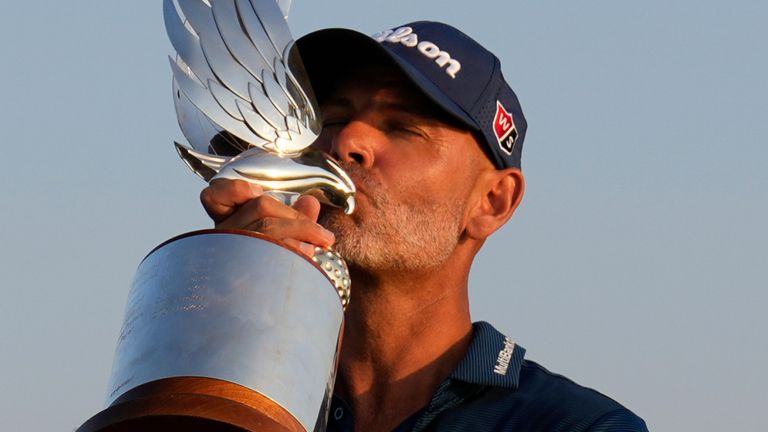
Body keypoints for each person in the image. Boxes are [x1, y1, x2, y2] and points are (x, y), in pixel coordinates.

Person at [200, 21, 648, 432]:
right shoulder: (247, 389)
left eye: (402, 127)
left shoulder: (577, 426)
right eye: (331, 121)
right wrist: (223, 321)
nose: (346, 142)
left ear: (493, 201)